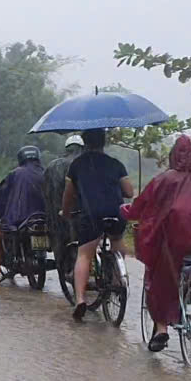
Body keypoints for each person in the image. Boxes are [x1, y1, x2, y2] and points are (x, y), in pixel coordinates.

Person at [123, 135, 191, 351]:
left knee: (159, 278)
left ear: (172, 156)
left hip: (173, 242)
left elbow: (141, 206)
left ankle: (161, 329)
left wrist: (128, 212)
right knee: (189, 269)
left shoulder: (164, 179)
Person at [62, 128, 135, 321]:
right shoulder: (115, 164)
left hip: (91, 214)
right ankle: (118, 279)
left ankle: (79, 300)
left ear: (84, 144)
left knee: (84, 254)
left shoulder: (77, 165)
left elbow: (68, 195)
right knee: (117, 241)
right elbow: (129, 192)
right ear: (104, 143)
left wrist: (66, 212)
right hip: (116, 212)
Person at [0, 146, 47, 283]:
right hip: (44, 218)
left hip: (18, 218)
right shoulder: (45, 173)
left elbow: (1, 193)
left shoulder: (15, 173)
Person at [44, 135, 85, 257]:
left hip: (56, 216)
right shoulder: (84, 164)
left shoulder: (51, 166)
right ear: (82, 148)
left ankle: (63, 273)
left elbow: (45, 193)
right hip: (79, 214)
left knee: (59, 248)